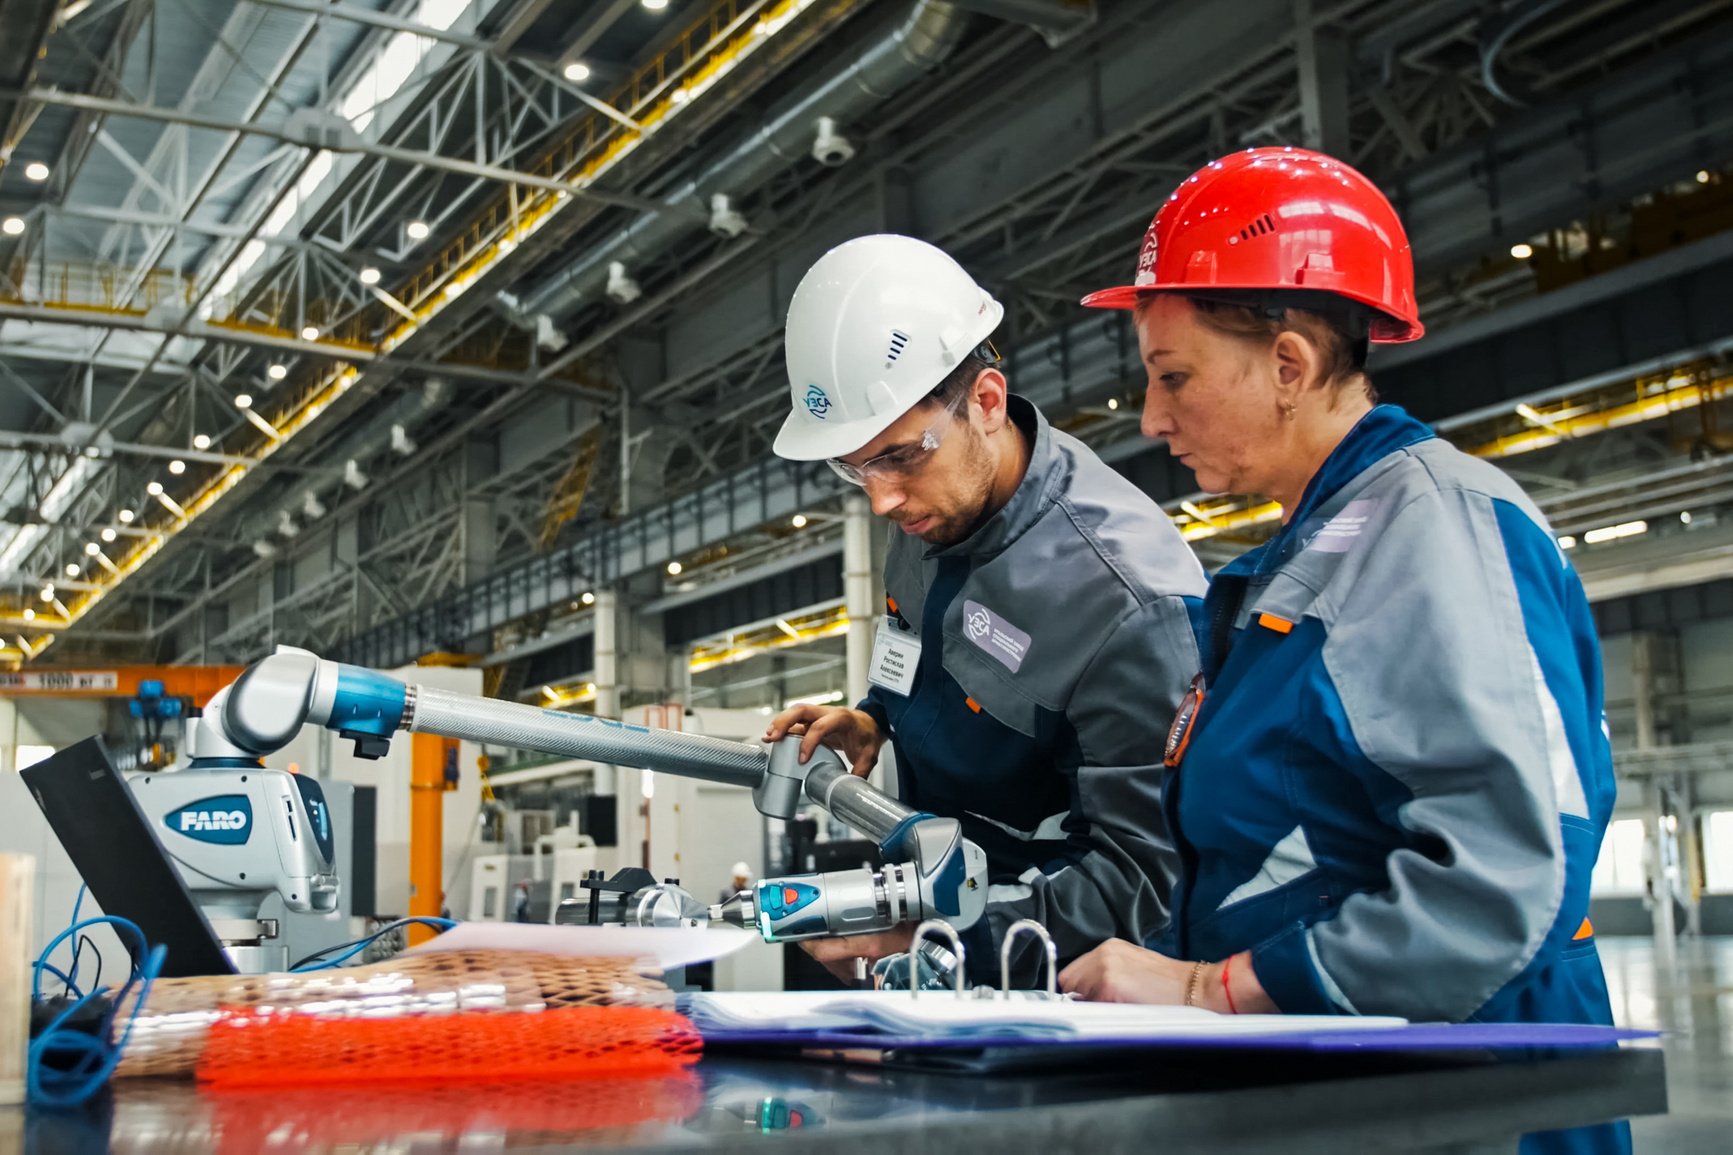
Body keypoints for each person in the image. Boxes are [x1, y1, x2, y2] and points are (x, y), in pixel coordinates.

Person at [1058, 147, 1625, 1155]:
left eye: (1171, 376)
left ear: (1288, 365)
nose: (1150, 419)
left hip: (1467, 1107)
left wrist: (1205, 990)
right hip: (1349, 1094)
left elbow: (1500, 883)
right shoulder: (1314, 554)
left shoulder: (1430, 529)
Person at [764, 234, 1208, 985]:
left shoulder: (1127, 601)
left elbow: (1148, 881)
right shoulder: (933, 510)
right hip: (938, 904)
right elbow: (919, 651)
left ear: (987, 402)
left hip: (1047, 968)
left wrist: (945, 949)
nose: (880, 499)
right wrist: (875, 716)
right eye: (854, 467)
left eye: (900, 456)